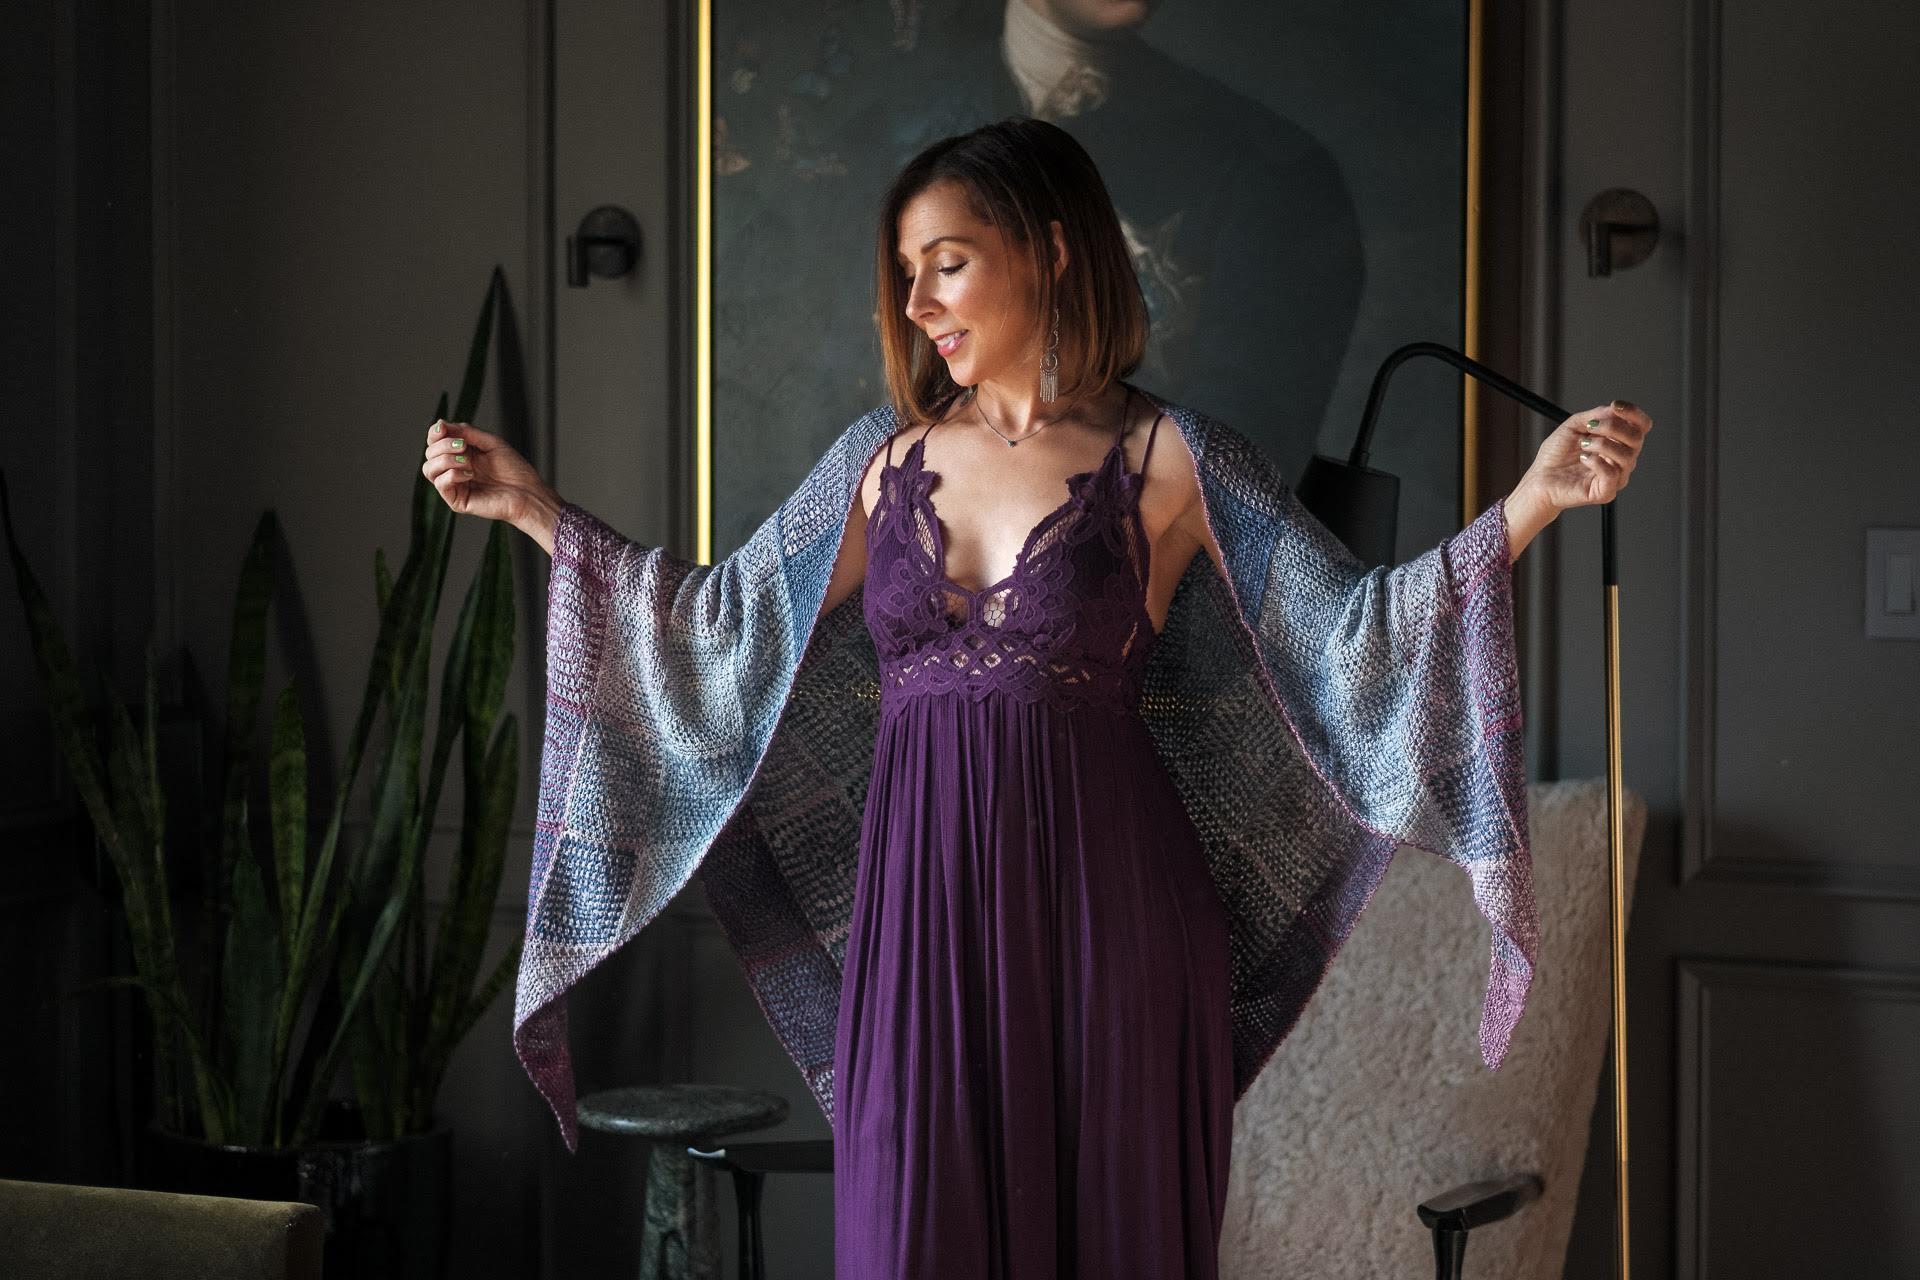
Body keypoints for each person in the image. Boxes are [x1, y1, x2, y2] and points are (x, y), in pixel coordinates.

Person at [421, 118, 1648, 1278]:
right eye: (907, 273)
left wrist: (1533, 501)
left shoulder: (1176, 456)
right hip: (915, 930)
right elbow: (716, 630)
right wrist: (534, 510)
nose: (917, 303)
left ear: (1052, 250)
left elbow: (1357, 636)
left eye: (947, 263)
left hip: (1118, 928)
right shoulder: (878, 460)